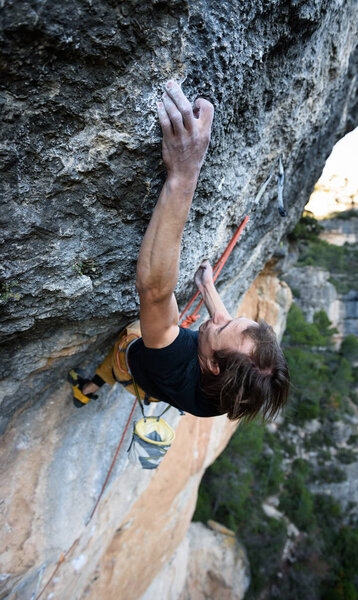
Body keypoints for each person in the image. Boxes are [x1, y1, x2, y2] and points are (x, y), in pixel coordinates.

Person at [69, 80, 290, 421]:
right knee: (126, 368)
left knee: (122, 352)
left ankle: (86, 390)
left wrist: (185, 173)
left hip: (139, 366)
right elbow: (230, 332)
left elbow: (155, 292)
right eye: (228, 317)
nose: (216, 317)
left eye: (218, 328)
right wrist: (208, 288)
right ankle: (90, 389)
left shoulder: (170, 359)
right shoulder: (236, 392)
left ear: (213, 366)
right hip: (162, 384)